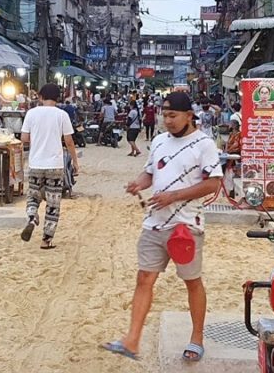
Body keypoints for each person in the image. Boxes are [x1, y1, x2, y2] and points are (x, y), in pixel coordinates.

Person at [103, 92, 222, 363]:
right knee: (144, 278)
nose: (167, 121)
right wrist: (137, 183)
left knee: (192, 282)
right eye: (164, 115)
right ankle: (131, 340)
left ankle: (197, 338)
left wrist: (174, 196)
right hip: (154, 223)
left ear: (189, 116)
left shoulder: (204, 144)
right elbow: (150, 173)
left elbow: (213, 183)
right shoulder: (158, 141)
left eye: (172, 115)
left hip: (186, 225)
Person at [20, 84, 79, 249]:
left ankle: (32, 217)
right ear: (58, 98)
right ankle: (46, 240)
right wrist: (75, 162)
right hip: (55, 165)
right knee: (53, 203)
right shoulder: (62, 115)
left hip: (35, 163)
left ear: (40, 97)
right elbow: (69, 141)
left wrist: (37, 139)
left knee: (33, 196)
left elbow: (24, 138)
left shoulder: (31, 113)